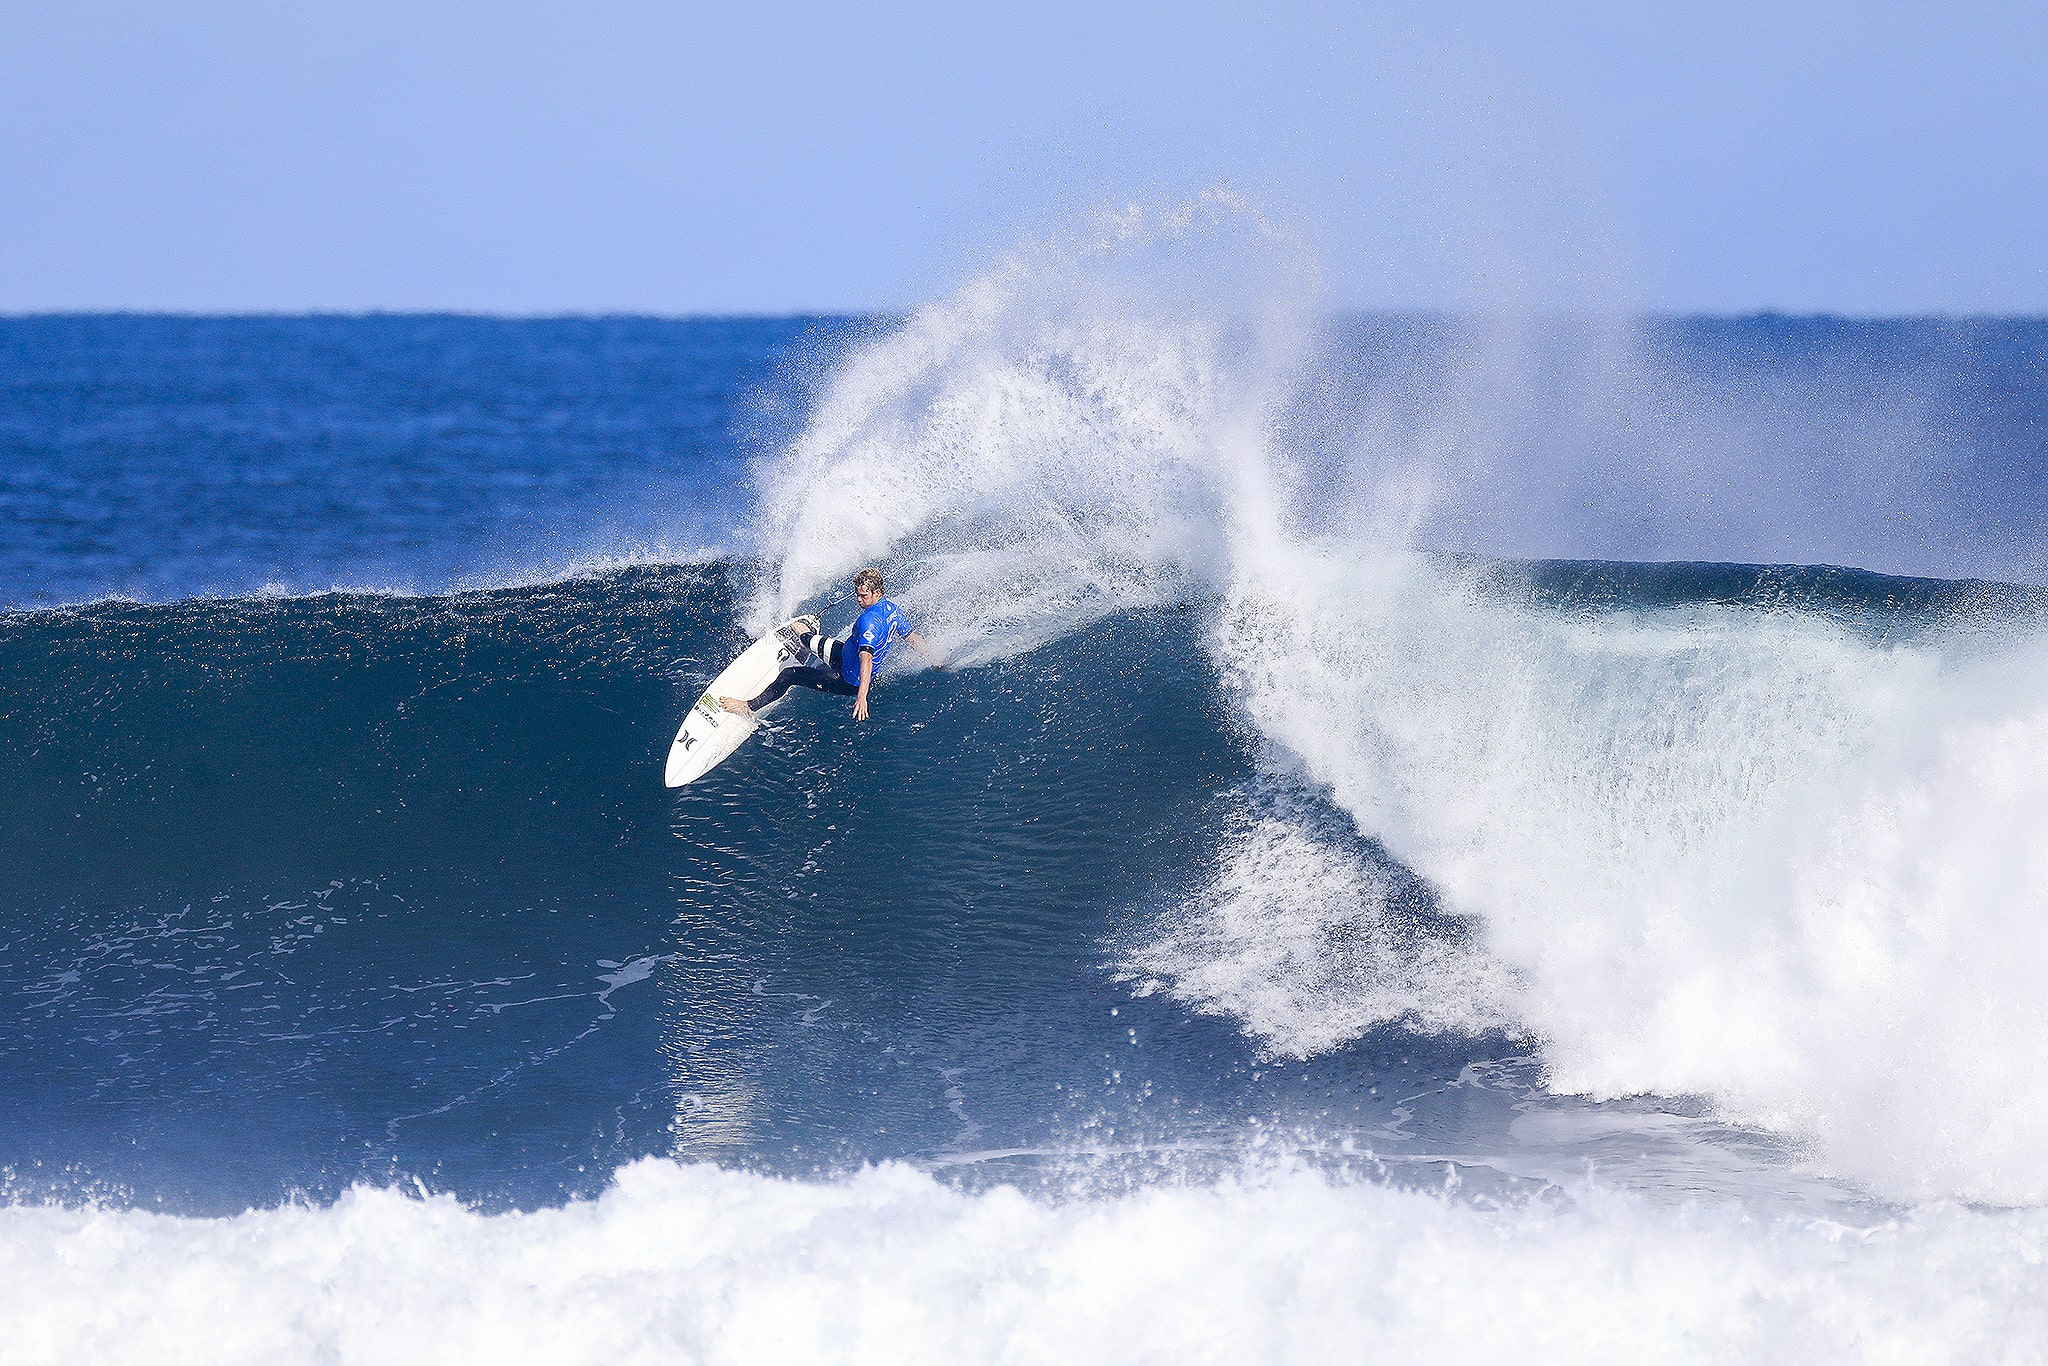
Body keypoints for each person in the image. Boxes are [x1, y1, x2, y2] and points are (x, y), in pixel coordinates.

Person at [719, 567, 937, 722]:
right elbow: (913, 638)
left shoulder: (869, 621)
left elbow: (867, 659)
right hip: (844, 655)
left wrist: (862, 696)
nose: (859, 600)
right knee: (804, 637)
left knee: (789, 675)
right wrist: (935, 661)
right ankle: (805, 635)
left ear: (877, 593)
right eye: (857, 595)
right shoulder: (893, 610)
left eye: (863, 596)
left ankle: (747, 707)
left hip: (848, 679)